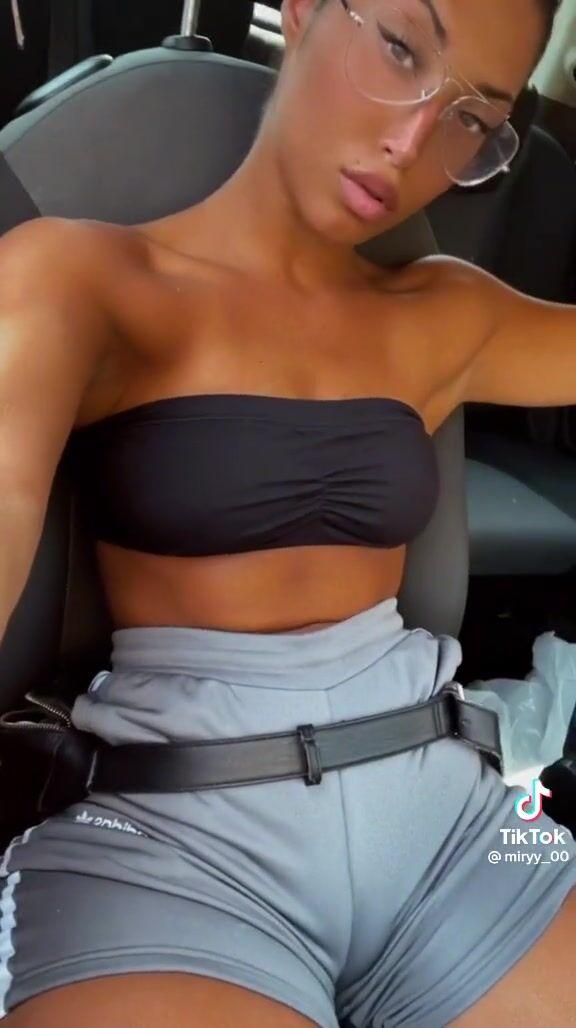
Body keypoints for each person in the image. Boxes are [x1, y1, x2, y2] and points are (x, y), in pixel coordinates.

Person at [0, 0, 574, 1024]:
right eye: (399, 48)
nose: (411, 141)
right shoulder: (83, 278)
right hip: (175, 846)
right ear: (304, 9)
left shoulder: (444, 311)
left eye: (470, 119)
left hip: (457, 832)